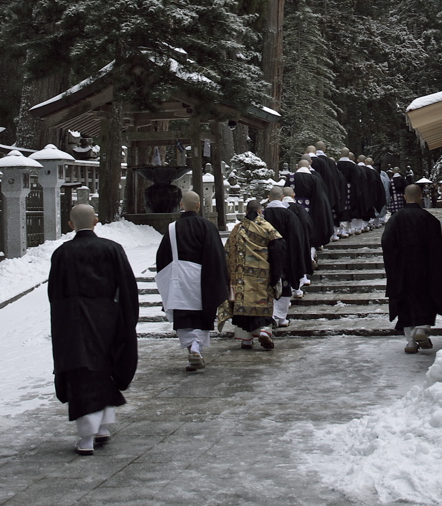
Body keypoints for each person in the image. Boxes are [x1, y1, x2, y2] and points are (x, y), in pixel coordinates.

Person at [48, 203, 139, 456]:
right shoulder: (112, 249)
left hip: (72, 321)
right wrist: (126, 319)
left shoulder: (62, 253)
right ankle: (100, 428)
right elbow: (127, 287)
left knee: (82, 372)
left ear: (70, 225)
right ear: (96, 221)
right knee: (104, 369)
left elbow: (54, 293)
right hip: (107, 317)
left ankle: (89, 435)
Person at [155, 190, 229, 372]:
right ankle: (197, 347)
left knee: (183, 316)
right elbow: (216, 254)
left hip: (179, 278)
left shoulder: (172, 228)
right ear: (198, 206)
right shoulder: (208, 226)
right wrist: (219, 277)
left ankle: (192, 349)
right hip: (203, 277)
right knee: (202, 313)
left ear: (181, 205)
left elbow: (162, 256)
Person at [381, 184, 442, 355]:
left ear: (405, 197)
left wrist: (395, 263)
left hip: (402, 269)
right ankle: (422, 327)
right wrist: (439, 265)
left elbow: (386, 243)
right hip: (425, 269)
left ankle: (410, 342)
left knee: (405, 303)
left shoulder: (396, 219)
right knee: (427, 298)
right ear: (420, 196)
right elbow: (438, 248)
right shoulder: (429, 219)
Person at [218, 200, 286, 349]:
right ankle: (264, 331)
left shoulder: (237, 229)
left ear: (246, 212)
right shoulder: (267, 228)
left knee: (242, 308)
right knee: (262, 305)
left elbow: (228, 252)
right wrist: (276, 275)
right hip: (262, 275)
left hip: (241, 276)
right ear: (260, 211)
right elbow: (277, 250)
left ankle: (246, 339)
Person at [263, 186, 307, 326]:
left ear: (269, 198)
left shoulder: (263, 215)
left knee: (268, 285)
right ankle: (281, 317)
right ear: (282, 198)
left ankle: (272, 315)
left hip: (265, 256)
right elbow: (296, 238)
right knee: (285, 284)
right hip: (286, 256)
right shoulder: (289, 215)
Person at [287, 156, 334, 250]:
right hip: (311, 209)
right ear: (309, 167)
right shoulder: (314, 179)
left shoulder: (291, 178)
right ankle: (311, 250)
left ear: (297, 167)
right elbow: (319, 197)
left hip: (293, 209)